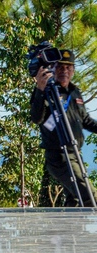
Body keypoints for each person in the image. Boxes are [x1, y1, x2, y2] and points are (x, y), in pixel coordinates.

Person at [30, 49, 97, 207]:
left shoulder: (74, 91)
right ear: (53, 68)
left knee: (74, 200)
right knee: (90, 197)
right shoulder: (46, 90)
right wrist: (39, 89)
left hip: (75, 154)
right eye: (60, 67)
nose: (64, 71)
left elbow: (85, 120)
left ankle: (70, 231)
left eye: (68, 67)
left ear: (73, 70)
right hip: (59, 156)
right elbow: (36, 117)